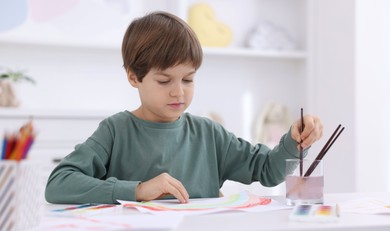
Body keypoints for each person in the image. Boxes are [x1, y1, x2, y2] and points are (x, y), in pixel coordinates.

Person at [45, 11, 323, 205]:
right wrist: (138, 190)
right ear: (133, 77)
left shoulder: (208, 133)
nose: (179, 91)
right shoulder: (116, 131)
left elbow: (268, 170)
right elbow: (59, 183)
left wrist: (294, 142)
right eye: (164, 80)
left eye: (188, 79)